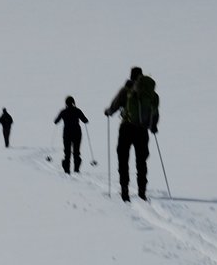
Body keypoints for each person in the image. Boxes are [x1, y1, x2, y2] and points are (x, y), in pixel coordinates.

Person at [103, 66, 159, 201]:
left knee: (123, 158)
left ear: (131, 76)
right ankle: (142, 191)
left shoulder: (126, 90)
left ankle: (124, 190)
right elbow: (155, 111)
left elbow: (114, 106)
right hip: (142, 130)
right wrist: (153, 126)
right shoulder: (150, 93)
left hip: (126, 128)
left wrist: (108, 112)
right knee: (141, 161)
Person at [54, 96, 90, 173]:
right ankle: (76, 169)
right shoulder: (77, 111)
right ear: (73, 102)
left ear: (66, 103)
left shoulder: (63, 112)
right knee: (76, 151)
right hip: (77, 133)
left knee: (67, 152)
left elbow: (56, 121)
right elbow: (85, 120)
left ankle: (67, 169)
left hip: (67, 133)